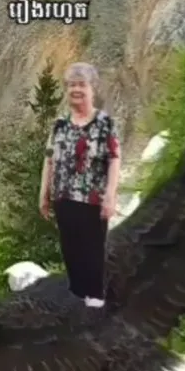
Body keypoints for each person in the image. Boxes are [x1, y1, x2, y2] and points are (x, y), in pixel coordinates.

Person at [38, 62, 121, 308]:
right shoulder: (59, 124)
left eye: (81, 85)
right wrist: (44, 193)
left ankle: (95, 305)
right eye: (72, 85)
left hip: (93, 201)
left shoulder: (104, 123)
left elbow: (115, 158)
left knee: (93, 254)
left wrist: (110, 195)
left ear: (92, 88)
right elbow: (49, 159)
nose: (76, 90)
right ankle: (77, 302)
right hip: (64, 199)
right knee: (71, 252)